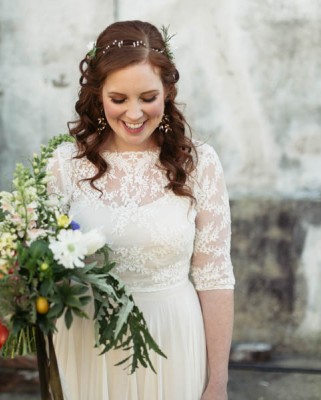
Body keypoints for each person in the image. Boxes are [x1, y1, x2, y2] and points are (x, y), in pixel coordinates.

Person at [47, 20, 235, 400]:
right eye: (119, 99)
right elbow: (39, 265)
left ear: (168, 90)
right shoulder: (65, 166)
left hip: (172, 342)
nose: (134, 114)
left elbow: (214, 277)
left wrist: (218, 381)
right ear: (98, 95)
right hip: (84, 343)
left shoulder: (199, 164)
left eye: (148, 97)